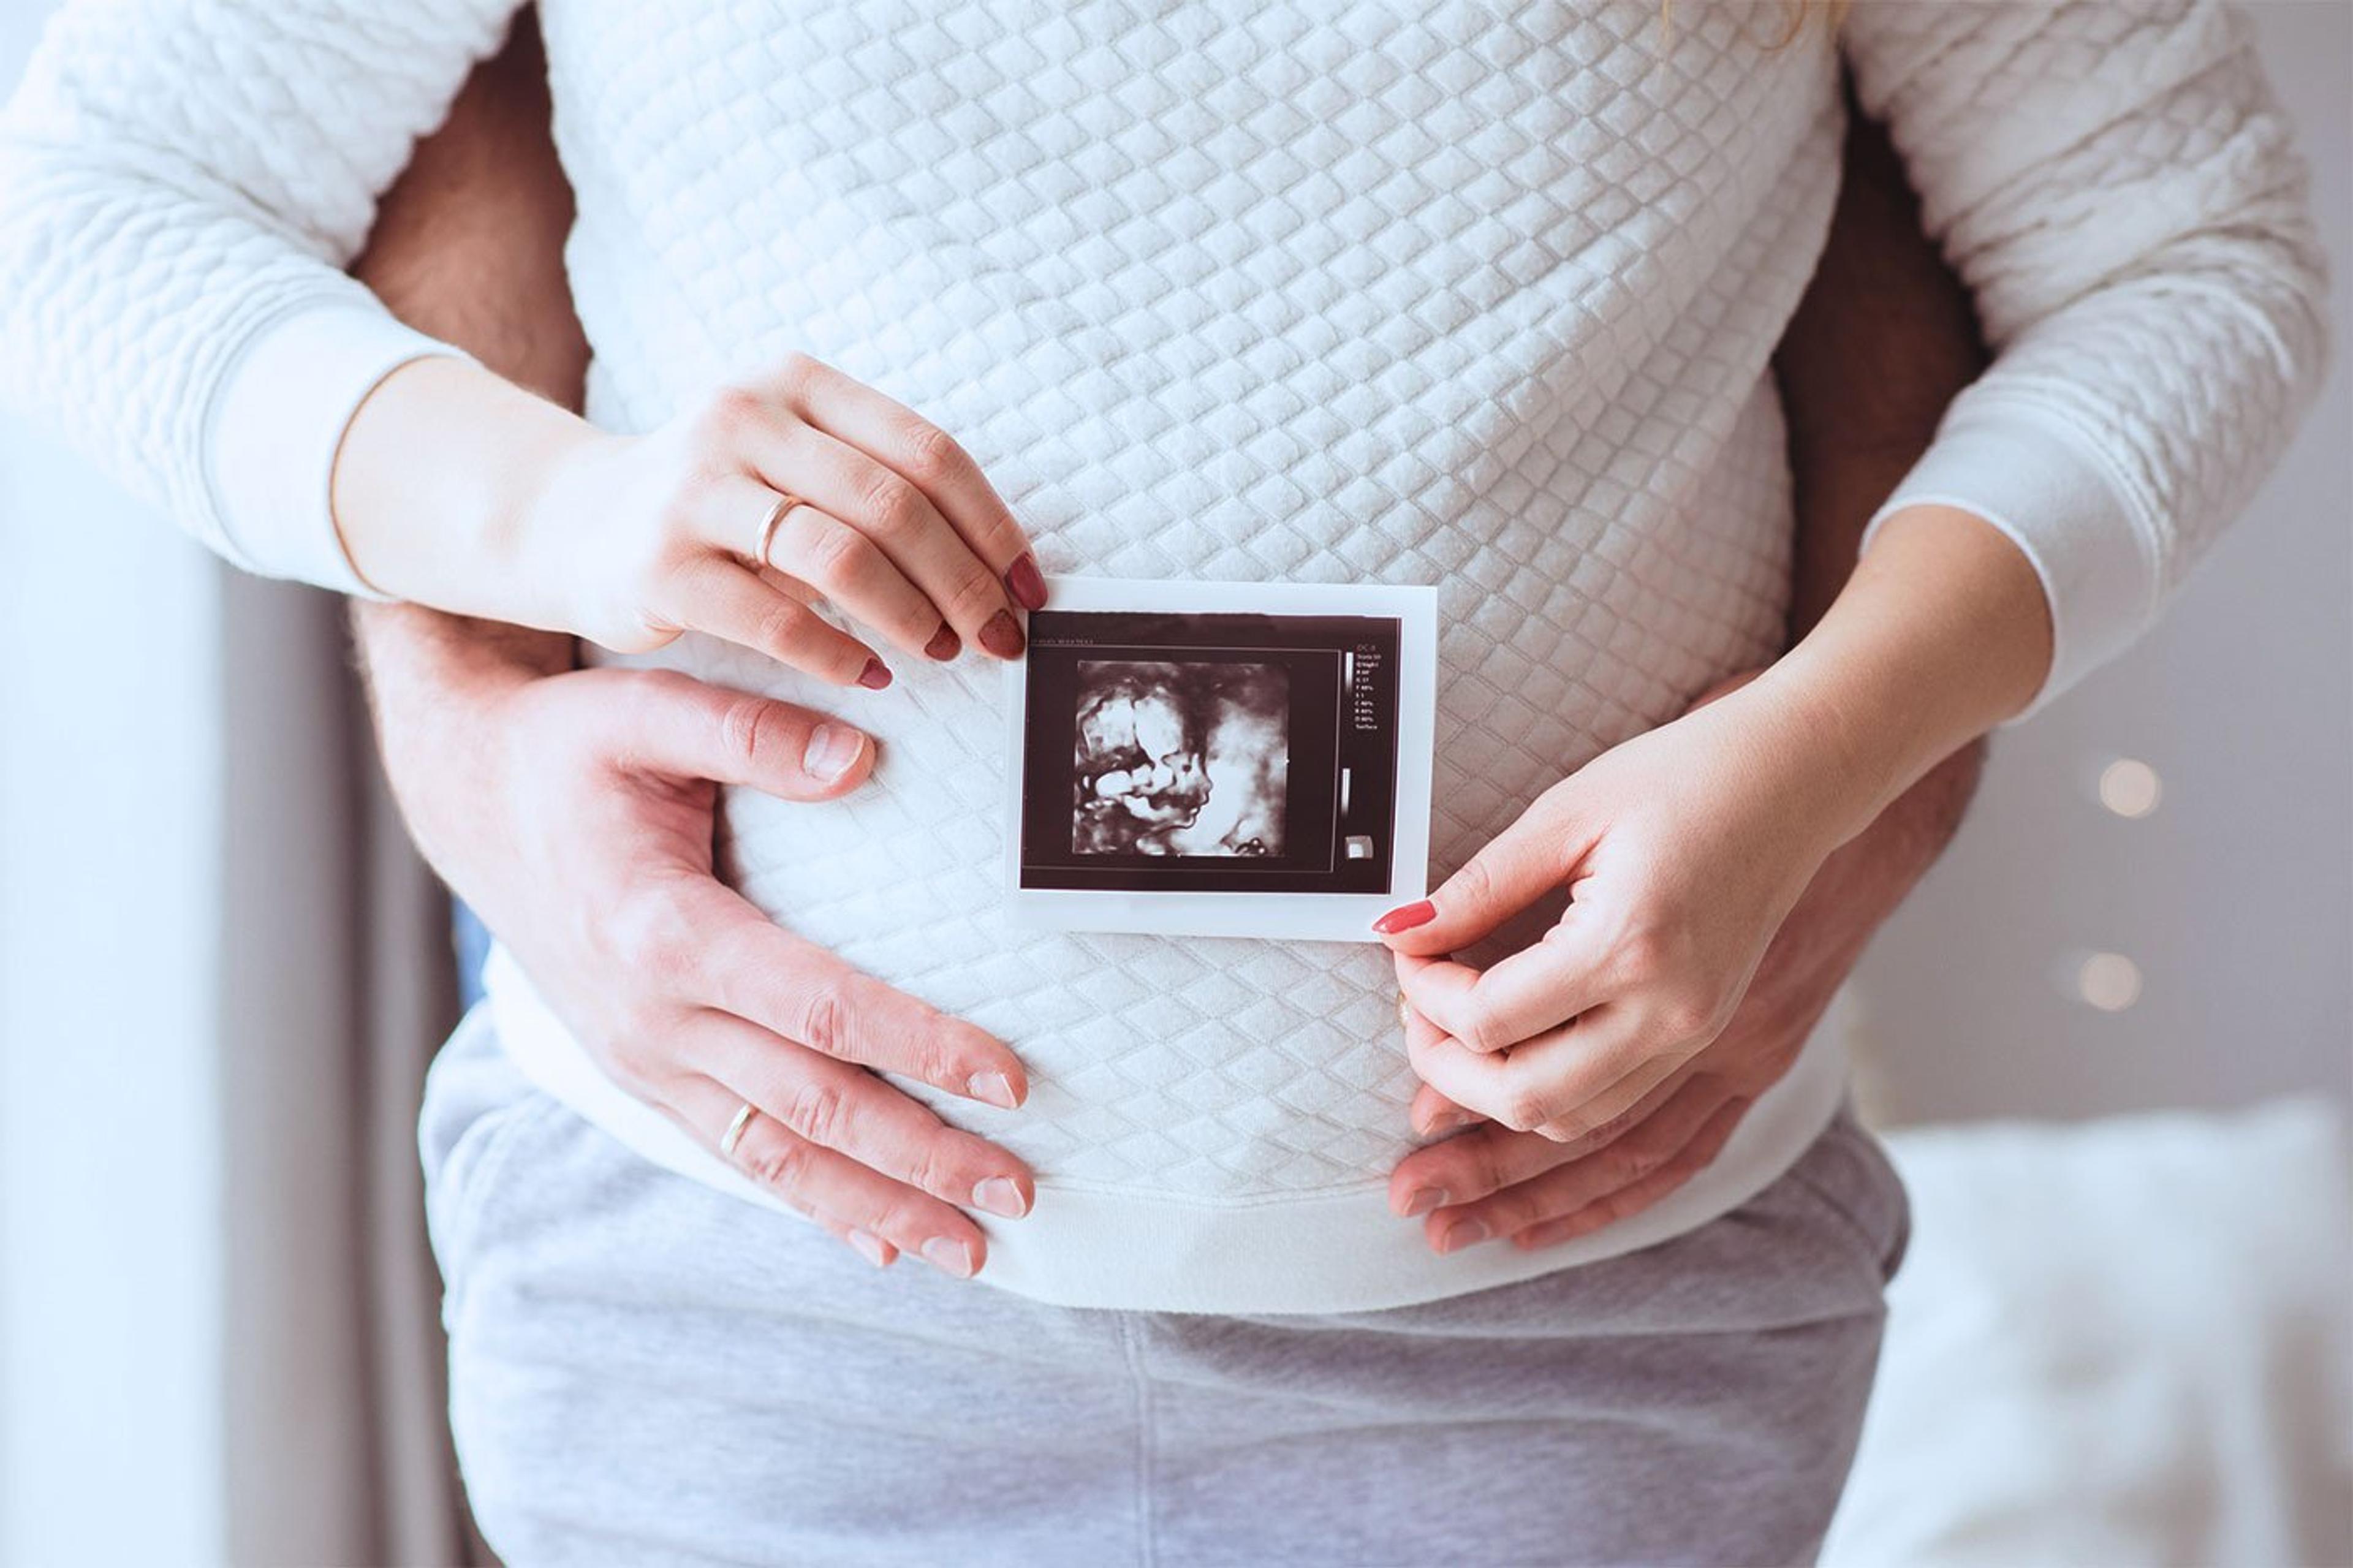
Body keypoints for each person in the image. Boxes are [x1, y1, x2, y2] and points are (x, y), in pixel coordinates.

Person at [0, 2, 2325, 1561]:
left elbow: (2196, 252)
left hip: (1582, 1335)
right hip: (743, 1309)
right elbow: (89, 199)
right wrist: (542, 517)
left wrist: (1839, 742)